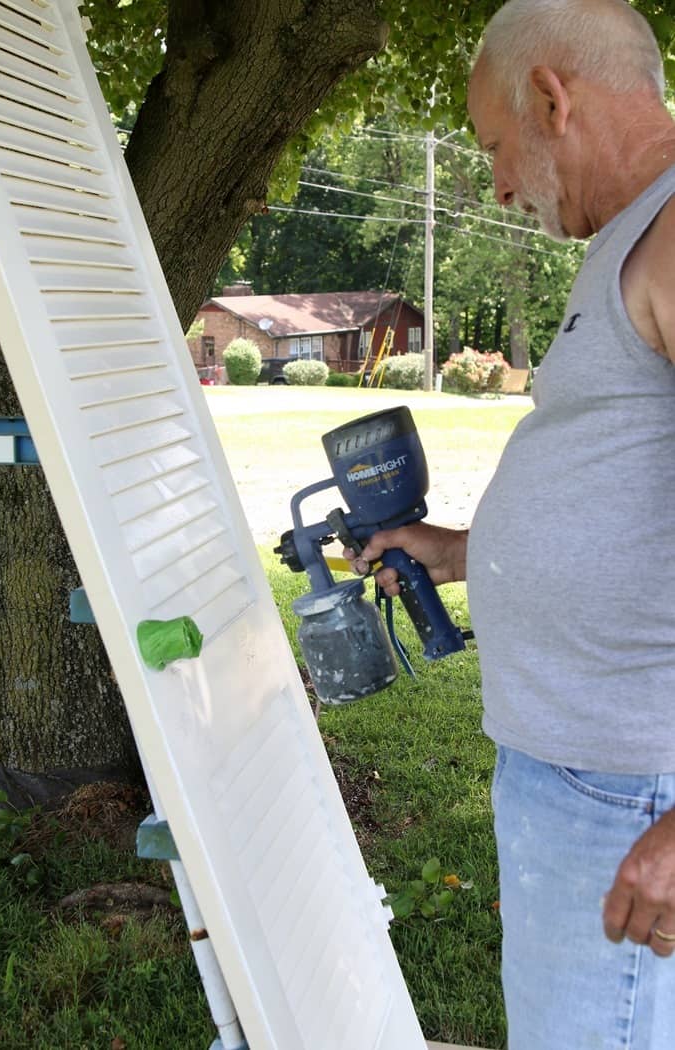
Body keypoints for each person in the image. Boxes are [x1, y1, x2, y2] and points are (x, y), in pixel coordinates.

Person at [346, 2, 675, 1047]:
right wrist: (460, 555)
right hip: (587, 776)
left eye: (493, 148)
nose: (493, 183)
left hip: (631, 792)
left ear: (551, 97)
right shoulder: (631, 233)